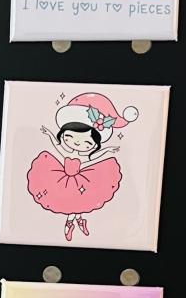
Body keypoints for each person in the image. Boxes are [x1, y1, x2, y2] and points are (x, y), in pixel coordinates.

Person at [25, 91, 136, 241]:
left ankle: (74, 222)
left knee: (78, 204)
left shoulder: (84, 156)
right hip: (61, 179)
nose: (77, 143)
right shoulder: (65, 151)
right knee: (72, 204)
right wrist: (49, 134)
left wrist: (108, 150)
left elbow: (93, 158)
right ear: (63, 134)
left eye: (87, 142)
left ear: (94, 145)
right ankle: (74, 222)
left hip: (80, 182)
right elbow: (56, 144)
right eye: (69, 136)